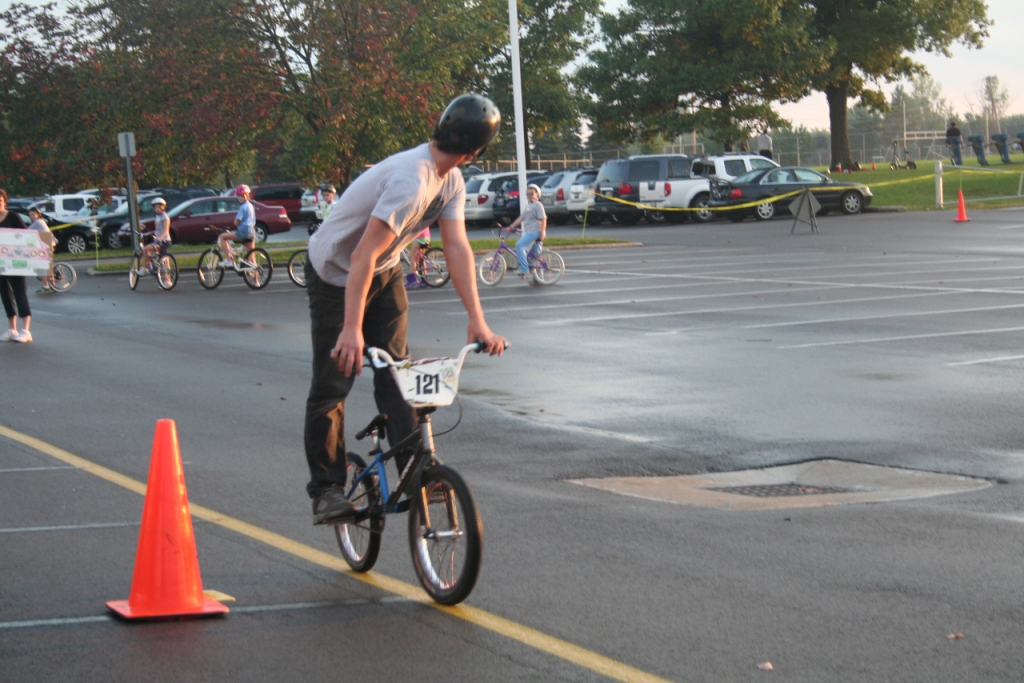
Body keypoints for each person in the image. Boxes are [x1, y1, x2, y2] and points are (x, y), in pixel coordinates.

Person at [304, 93, 508, 525]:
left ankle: (417, 477)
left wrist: (478, 321)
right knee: (334, 382)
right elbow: (360, 255)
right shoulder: (410, 180)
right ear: (475, 152)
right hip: (336, 274)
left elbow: (456, 246)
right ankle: (327, 491)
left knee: (399, 373)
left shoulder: (449, 181)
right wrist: (351, 329)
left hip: (382, 269)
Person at [0, 189, 32, 342]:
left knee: (20, 292)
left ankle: (25, 330)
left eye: (0, 200)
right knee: (5, 294)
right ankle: (12, 329)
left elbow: (26, 236)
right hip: (0, 264)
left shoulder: (13, 216)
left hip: (16, 262)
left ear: (5, 201)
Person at [511, 184, 547, 280]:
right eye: (528, 194)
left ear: (537, 195)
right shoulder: (528, 206)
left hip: (534, 231)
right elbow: (521, 218)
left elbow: (543, 218)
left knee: (519, 245)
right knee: (534, 255)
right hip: (530, 231)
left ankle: (523, 269)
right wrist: (511, 227)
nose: (529, 196)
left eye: (531, 194)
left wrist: (542, 232)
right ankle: (537, 279)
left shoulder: (538, 205)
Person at [218, 184, 256, 266]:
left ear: (247, 195)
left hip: (243, 232)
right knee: (251, 256)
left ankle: (229, 260)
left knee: (222, 237)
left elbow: (237, 221)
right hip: (251, 231)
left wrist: (235, 222)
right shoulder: (250, 205)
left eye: (242, 196)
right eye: (238, 196)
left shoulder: (243, 207)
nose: (240, 198)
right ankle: (256, 277)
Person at [27, 206, 56, 293]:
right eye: (30, 215)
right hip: (49, 243)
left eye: (33, 214)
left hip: (46, 244)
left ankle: (46, 286)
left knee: (42, 266)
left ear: (38, 215)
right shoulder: (41, 221)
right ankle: (53, 285)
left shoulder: (38, 222)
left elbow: (28, 231)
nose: (32, 217)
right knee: (47, 266)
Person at [140, 197, 171, 274]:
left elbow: (166, 229)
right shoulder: (158, 216)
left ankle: (145, 268)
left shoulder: (165, 217)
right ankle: (167, 281)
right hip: (159, 240)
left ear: (163, 207)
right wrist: (153, 232)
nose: (157, 209)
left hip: (164, 240)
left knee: (145, 249)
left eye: (159, 207)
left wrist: (160, 238)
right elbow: (159, 228)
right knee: (162, 259)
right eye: (155, 207)